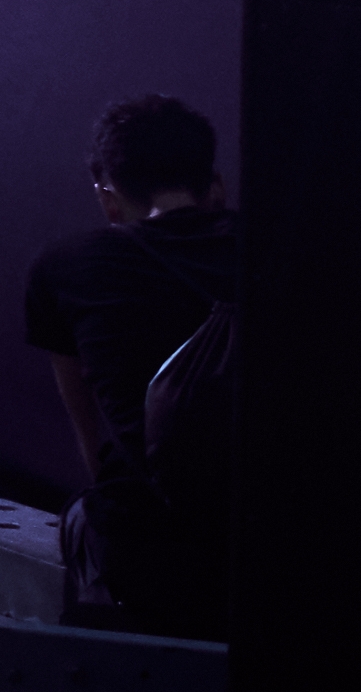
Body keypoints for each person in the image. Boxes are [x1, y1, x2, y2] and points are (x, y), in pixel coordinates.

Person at [24, 93, 240, 636]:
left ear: (109, 198)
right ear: (214, 184)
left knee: (91, 516)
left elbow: (94, 439)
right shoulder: (279, 248)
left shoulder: (69, 263)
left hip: (149, 550)